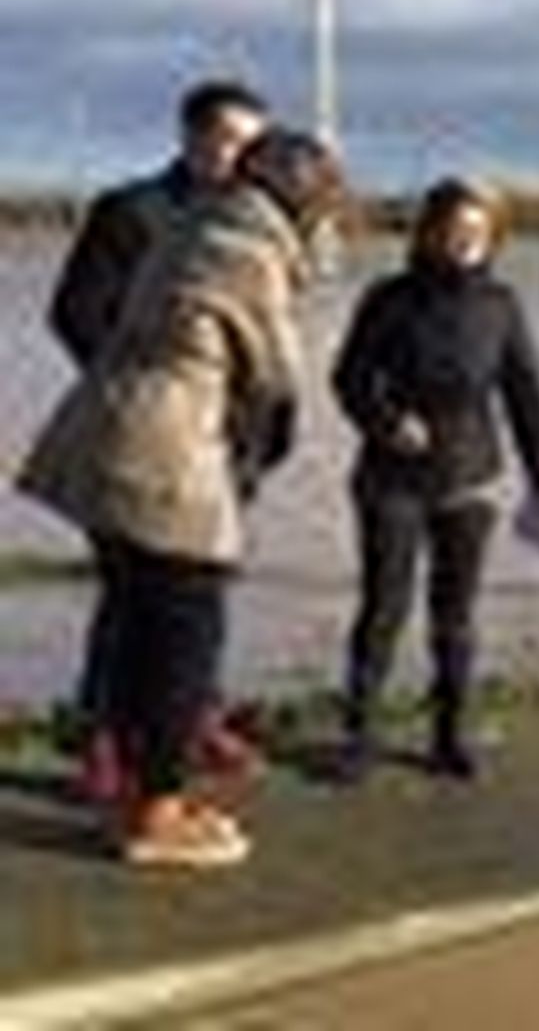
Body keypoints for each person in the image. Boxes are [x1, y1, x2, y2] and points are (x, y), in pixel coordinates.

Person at [17, 128, 344, 868]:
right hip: (167, 452)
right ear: (298, 198)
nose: (326, 216)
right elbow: (275, 376)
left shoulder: (196, 224)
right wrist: (262, 455)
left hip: (107, 434)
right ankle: (156, 814)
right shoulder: (250, 249)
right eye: (323, 202)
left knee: (136, 624)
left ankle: (134, 789)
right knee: (184, 637)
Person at [47, 79, 270, 802]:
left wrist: (260, 431)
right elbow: (74, 312)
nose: (243, 157)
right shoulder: (131, 210)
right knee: (130, 596)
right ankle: (105, 739)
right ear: (191, 136)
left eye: (255, 146)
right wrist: (139, 390)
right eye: (231, 140)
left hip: (224, 442)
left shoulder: (257, 224)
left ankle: (189, 719)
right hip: (139, 437)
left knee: (203, 596)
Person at [330, 176, 539, 783]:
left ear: (492, 239)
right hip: (391, 477)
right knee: (383, 607)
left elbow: (526, 395)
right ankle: (360, 736)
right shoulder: (388, 298)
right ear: (429, 232)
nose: (465, 241)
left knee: (455, 616)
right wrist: (388, 423)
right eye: (454, 229)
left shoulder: (502, 305)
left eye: (477, 232)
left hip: (469, 479)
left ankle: (449, 737)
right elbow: (348, 378)